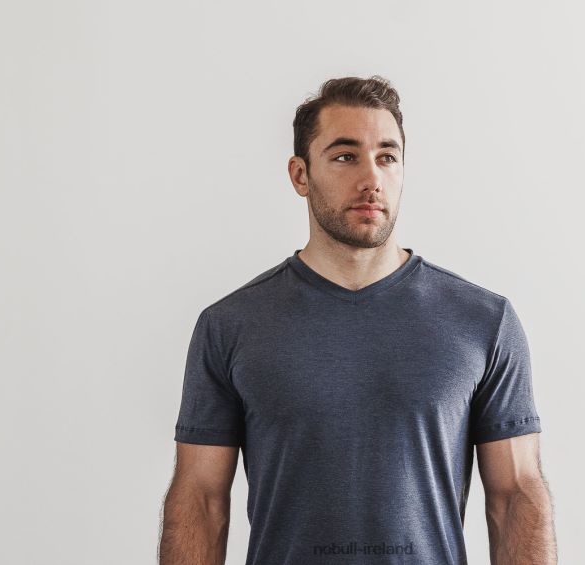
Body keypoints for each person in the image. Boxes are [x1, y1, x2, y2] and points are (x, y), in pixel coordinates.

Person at [158, 75, 557, 565]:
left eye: (387, 157)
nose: (372, 178)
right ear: (300, 175)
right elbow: (200, 501)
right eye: (346, 156)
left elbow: (515, 495)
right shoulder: (230, 326)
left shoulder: (483, 322)